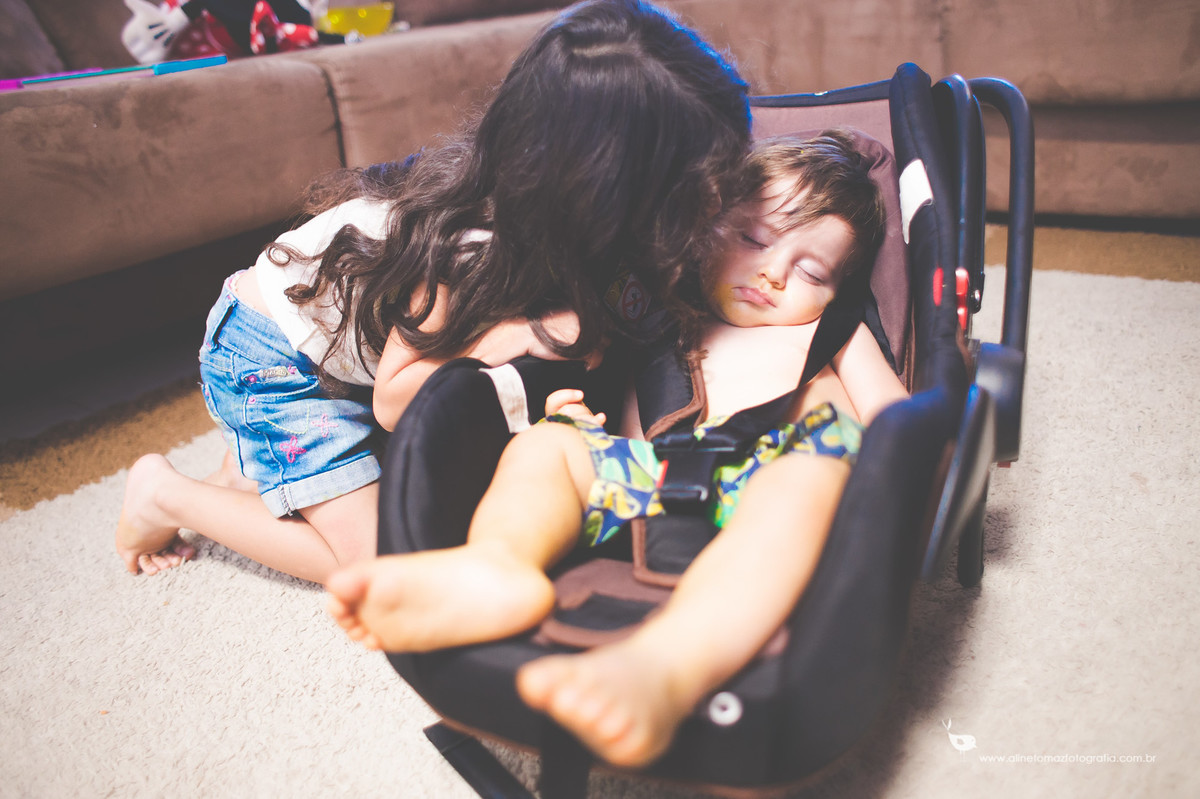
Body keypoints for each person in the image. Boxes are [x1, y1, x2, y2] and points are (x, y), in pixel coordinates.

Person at [325, 130, 911, 767]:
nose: (773, 273)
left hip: (769, 479)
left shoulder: (836, 333)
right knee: (550, 447)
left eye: (812, 271)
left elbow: (897, 421)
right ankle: (497, 567)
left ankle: (666, 667)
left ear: (837, 290)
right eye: (754, 239)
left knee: (808, 483)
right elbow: (593, 371)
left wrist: (893, 451)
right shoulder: (658, 304)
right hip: (642, 475)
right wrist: (572, 413)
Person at [114, 0, 752, 583]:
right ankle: (166, 492)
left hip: (347, 348)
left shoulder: (575, 229)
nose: (710, 212)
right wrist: (514, 338)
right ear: (603, 193)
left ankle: (259, 472)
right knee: (382, 563)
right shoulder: (468, 252)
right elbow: (394, 402)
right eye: (690, 196)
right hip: (271, 357)